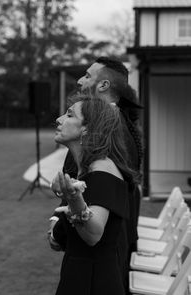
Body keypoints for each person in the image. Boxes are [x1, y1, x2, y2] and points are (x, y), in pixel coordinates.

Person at [48, 57, 143, 285]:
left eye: (88, 75)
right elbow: (82, 184)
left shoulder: (112, 135)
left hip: (103, 254)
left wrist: (58, 230)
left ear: (103, 85)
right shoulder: (98, 133)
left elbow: (105, 192)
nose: (80, 80)